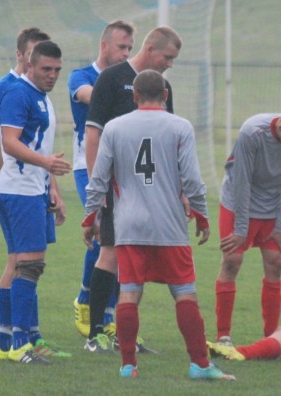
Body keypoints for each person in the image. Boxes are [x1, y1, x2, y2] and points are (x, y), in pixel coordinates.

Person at [82, 69, 234, 380]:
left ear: (134, 96)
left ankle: (128, 366)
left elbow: (98, 178)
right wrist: (202, 216)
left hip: (129, 225)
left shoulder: (114, 127)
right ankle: (200, 365)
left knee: (129, 293)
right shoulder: (179, 127)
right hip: (169, 226)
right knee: (184, 293)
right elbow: (192, 179)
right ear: (165, 95)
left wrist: (90, 217)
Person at [82, 26, 182, 353]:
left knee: (135, 260)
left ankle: (123, 334)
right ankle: (96, 334)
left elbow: (169, 141)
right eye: (167, 57)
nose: (169, 63)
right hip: (118, 187)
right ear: (151, 49)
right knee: (110, 254)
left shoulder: (162, 87)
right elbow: (94, 134)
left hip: (152, 190)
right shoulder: (111, 79)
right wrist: (98, 191)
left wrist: (177, 188)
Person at [0, 28, 70, 360]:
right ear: (29, 64)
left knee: (26, 263)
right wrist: (46, 163)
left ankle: (6, 344)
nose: (52, 75)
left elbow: (35, 144)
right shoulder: (18, 94)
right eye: (46, 69)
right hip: (18, 190)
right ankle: (20, 344)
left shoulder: (39, 96)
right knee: (29, 264)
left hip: (30, 190)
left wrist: (50, 184)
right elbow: (9, 142)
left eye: (57, 70)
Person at [213, 107, 281, 347]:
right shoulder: (252, 132)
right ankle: (223, 336)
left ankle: (272, 337)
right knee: (232, 261)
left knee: (275, 262)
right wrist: (240, 229)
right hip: (238, 203)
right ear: (280, 128)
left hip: (273, 205)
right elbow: (241, 181)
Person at [67, 20, 135, 339]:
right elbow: (92, 97)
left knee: (123, 242)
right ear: (104, 45)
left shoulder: (129, 80)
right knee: (100, 233)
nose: (126, 54)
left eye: (130, 49)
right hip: (89, 167)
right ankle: (85, 301)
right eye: (121, 47)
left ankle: (110, 319)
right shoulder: (82, 77)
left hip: (124, 170)